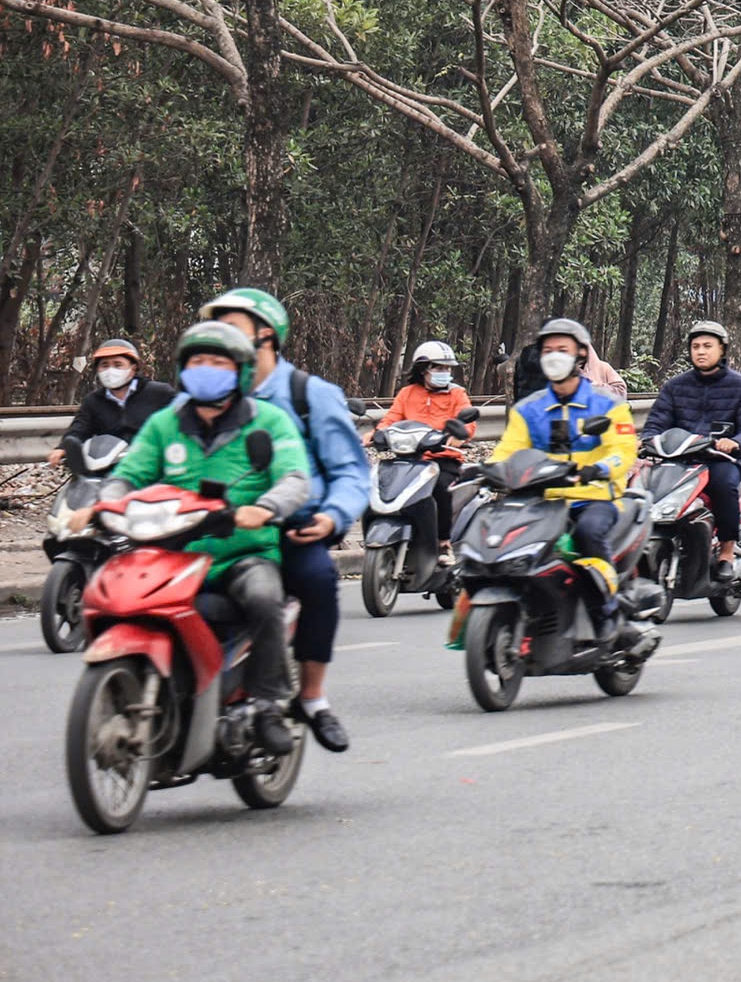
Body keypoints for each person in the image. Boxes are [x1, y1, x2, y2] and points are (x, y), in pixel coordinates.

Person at [73, 320, 309, 756]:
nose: (206, 368)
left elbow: (294, 477)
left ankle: (269, 703)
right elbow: (128, 476)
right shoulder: (165, 424)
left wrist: (266, 508)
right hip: (170, 553)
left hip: (242, 553)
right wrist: (101, 504)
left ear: (238, 370)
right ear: (183, 369)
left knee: (262, 598)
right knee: (108, 595)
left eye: (217, 361)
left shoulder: (269, 422)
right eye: (198, 360)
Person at [199, 286, 367, 754]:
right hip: (213, 529)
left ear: (266, 335)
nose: (218, 343)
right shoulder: (205, 393)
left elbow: (351, 471)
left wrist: (332, 518)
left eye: (230, 330)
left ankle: (311, 696)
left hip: (290, 527)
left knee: (315, 579)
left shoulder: (309, 395)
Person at [493, 318, 645, 647]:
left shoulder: (607, 405)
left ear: (580, 356)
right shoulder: (528, 409)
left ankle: (607, 613)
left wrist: (602, 468)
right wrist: (487, 471)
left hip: (593, 499)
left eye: (562, 350)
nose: (554, 356)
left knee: (589, 535)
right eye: (548, 350)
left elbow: (624, 449)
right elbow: (507, 450)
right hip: (541, 501)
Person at [639, 320, 741, 581]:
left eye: (708, 346)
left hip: (719, 460)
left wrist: (737, 442)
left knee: (724, 486)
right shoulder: (674, 387)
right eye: (695, 346)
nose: (701, 351)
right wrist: (647, 440)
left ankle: (727, 552)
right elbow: (656, 422)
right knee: (643, 487)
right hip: (678, 460)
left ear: (722, 349)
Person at [379, 340, 479, 565]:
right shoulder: (407, 393)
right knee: (383, 483)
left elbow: (467, 424)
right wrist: (376, 435)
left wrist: (459, 436)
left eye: (447, 369)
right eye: (439, 368)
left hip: (443, 459)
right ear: (423, 370)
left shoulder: (456, 394)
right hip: (409, 459)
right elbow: (391, 419)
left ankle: (444, 544)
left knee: (441, 489)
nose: (445, 373)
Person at [49, 337, 175, 467]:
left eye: (118, 364)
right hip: (110, 469)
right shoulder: (92, 401)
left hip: (155, 466)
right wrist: (63, 448)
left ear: (133, 368)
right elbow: (79, 429)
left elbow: (180, 424)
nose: (110, 370)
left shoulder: (159, 393)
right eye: (105, 365)